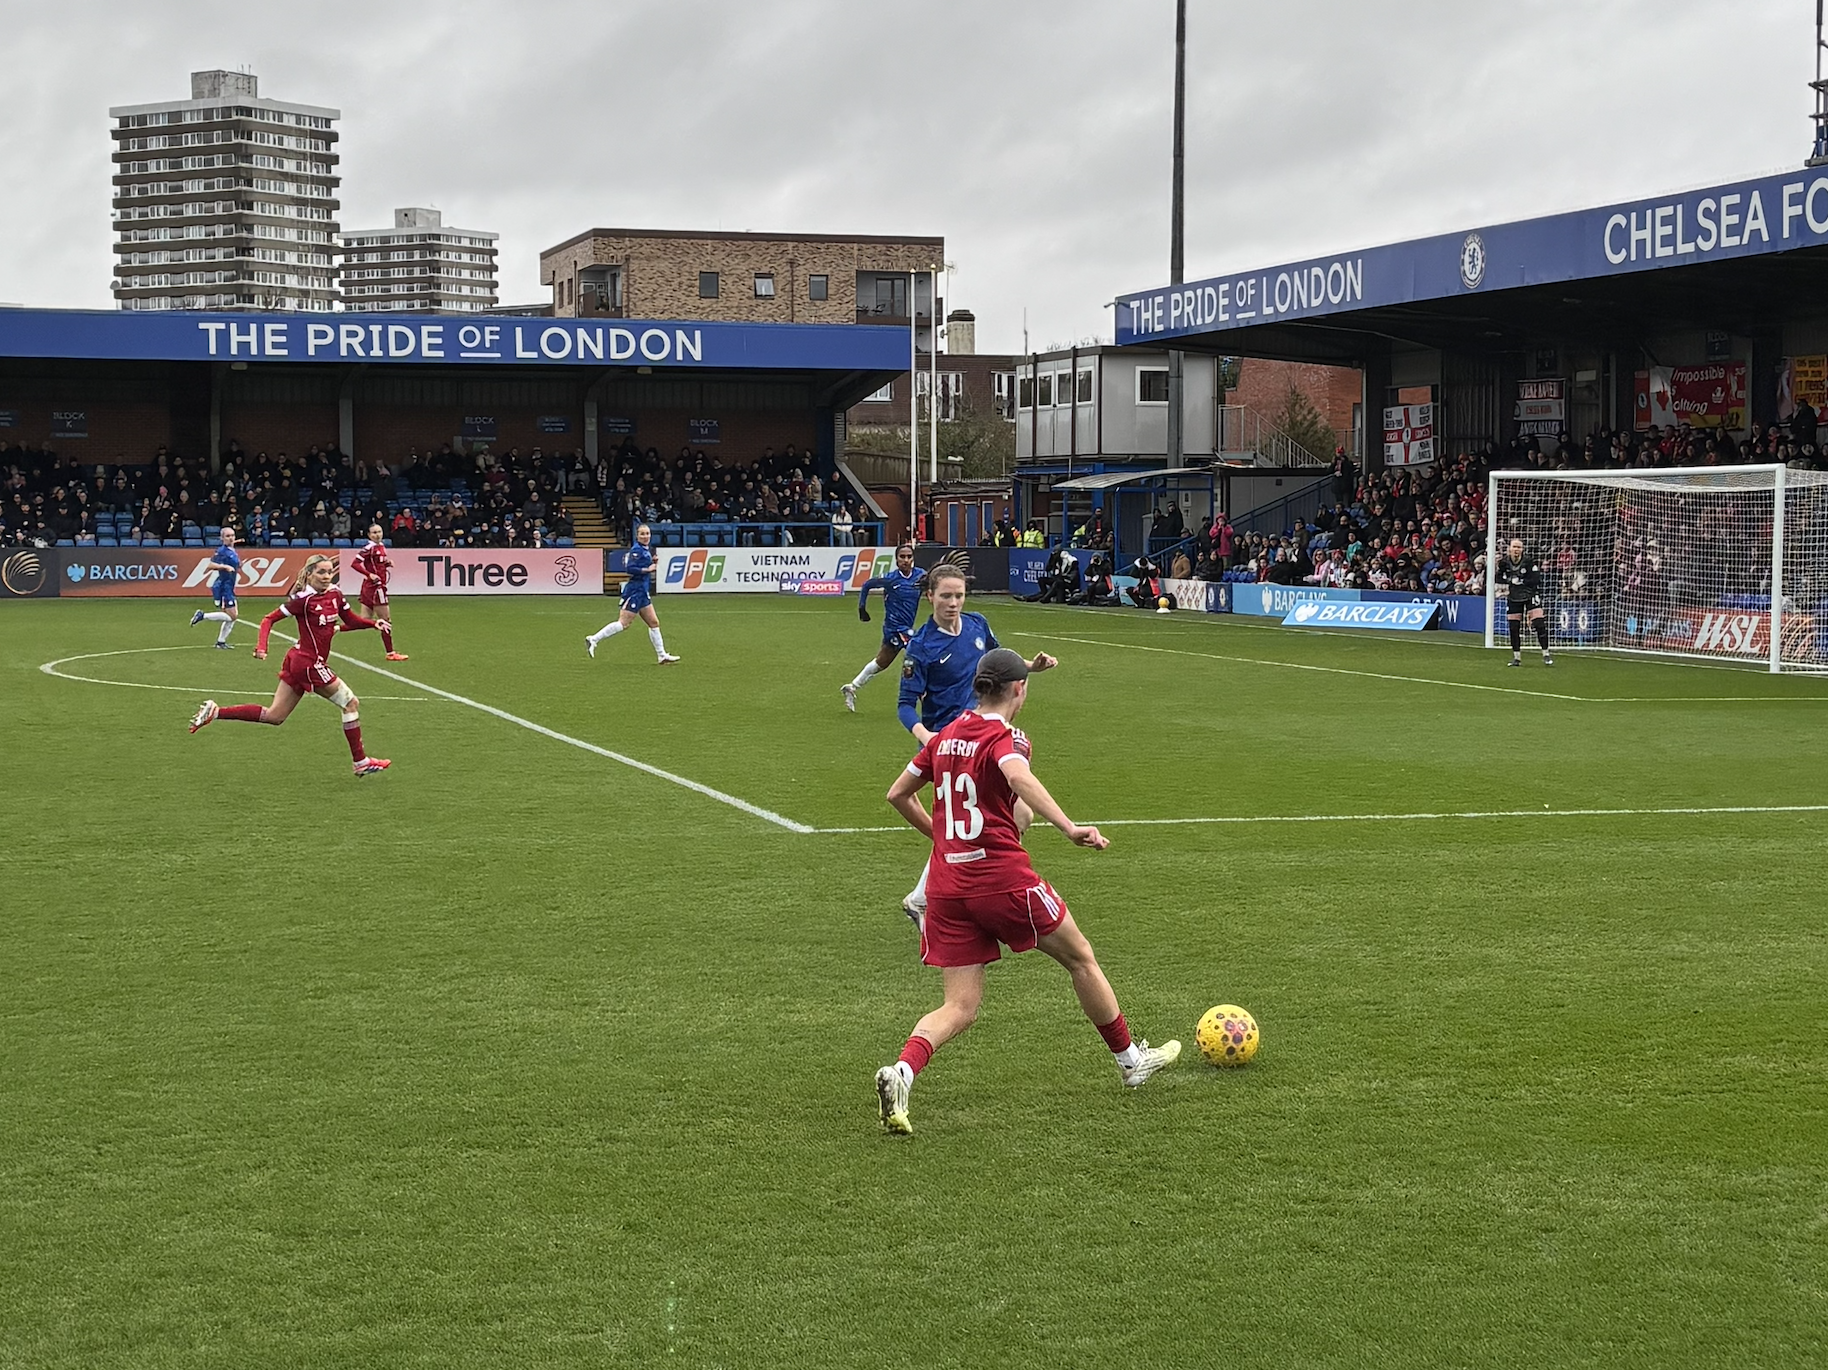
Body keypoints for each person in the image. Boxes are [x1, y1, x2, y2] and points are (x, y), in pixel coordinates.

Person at [873, 648, 1181, 1135]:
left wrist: (944, 840)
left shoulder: (946, 735)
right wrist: (1070, 827)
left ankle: (902, 1072)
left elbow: (897, 794)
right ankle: (1130, 1061)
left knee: (960, 1006)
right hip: (1001, 881)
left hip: (947, 890)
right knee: (1080, 958)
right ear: (1020, 689)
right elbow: (1017, 777)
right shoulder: (1004, 738)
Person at [896, 564, 1056, 923]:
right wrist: (927, 737)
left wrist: (1031, 667)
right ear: (930, 597)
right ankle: (971, 887)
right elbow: (905, 705)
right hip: (950, 748)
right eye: (945, 596)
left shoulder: (977, 625)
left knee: (1015, 816)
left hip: (983, 738)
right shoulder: (921, 646)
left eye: (959, 595)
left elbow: (1000, 666)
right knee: (994, 819)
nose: (953, 603)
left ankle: (930, 895)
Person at [187, 553, 391, 777]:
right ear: (309, 574)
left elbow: (350, 619)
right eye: (321, 572)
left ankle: (216, 712)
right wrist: (262, 646)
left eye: (329, 572)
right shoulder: (302, 600)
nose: (326, 576)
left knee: (275, 716)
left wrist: (373, 623)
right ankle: (360, 762)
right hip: (308, 664)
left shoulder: (335, 594)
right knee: (350, 703)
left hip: (298, 660)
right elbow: (268, 619)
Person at [843, 542, 925, 712]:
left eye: (909, 556)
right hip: (894, 628)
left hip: (906, 627)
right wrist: (862, 608)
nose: (906, 560)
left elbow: (937, 581)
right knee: (918, 654)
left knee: (882, 662)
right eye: (902, 557)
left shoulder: (920, 576)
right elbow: (867, 585)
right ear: (896, 559)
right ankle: (924, 697)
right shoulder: (890, 579)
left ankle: (852, 687)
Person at [586, 523, 679, 663]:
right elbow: (630, 568)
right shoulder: (637, 550)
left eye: (647, 533)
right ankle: (593, 639)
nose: (646, 536)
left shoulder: (645, 549)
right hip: (635, 591)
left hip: (642, 591)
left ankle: (661, 655)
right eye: (642, 534)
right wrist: (648, 569)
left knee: (653, 622)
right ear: (637, 536)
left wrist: (652, 562)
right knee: (623, 623)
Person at [350, 523, 408, 660]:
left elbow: (376, 564)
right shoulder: (368, 548)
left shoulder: (381, 546)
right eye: (374, 532)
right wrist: (369, 574)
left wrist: (386, 563)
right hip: (376, 587)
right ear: (369, 535)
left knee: (365, 620)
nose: (377, 535)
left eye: (379, 531)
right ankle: (391, 653)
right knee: (386, 620)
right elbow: (355, 564)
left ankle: (336, 628)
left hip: (370, 587)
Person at [1499, 537, 1552, 666]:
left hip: (1530, 594)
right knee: (1514, 627)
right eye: (1514, 547)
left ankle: (1546, 654)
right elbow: (1499, 576)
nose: (1516, 549)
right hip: (1514, 596)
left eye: (1519, 547)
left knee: (1539, 624)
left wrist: (1521, 581)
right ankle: (1516, 658)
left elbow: (1536, 579)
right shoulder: (1504, 562)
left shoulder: (1528, 562)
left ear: (1522, 549)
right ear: (1509, 549)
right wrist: (1508, 581)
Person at [188, 526, 242, 649]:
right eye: (228, 536)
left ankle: (220, 642)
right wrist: (225, 567)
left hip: (229, 586)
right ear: (222, 538)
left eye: (232, 535)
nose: (231, 538)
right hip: (224, 587)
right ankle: (202, 615)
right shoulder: (222, 551)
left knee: (232, 617)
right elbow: (210, 565)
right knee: (232, 616)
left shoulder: (232, 550)